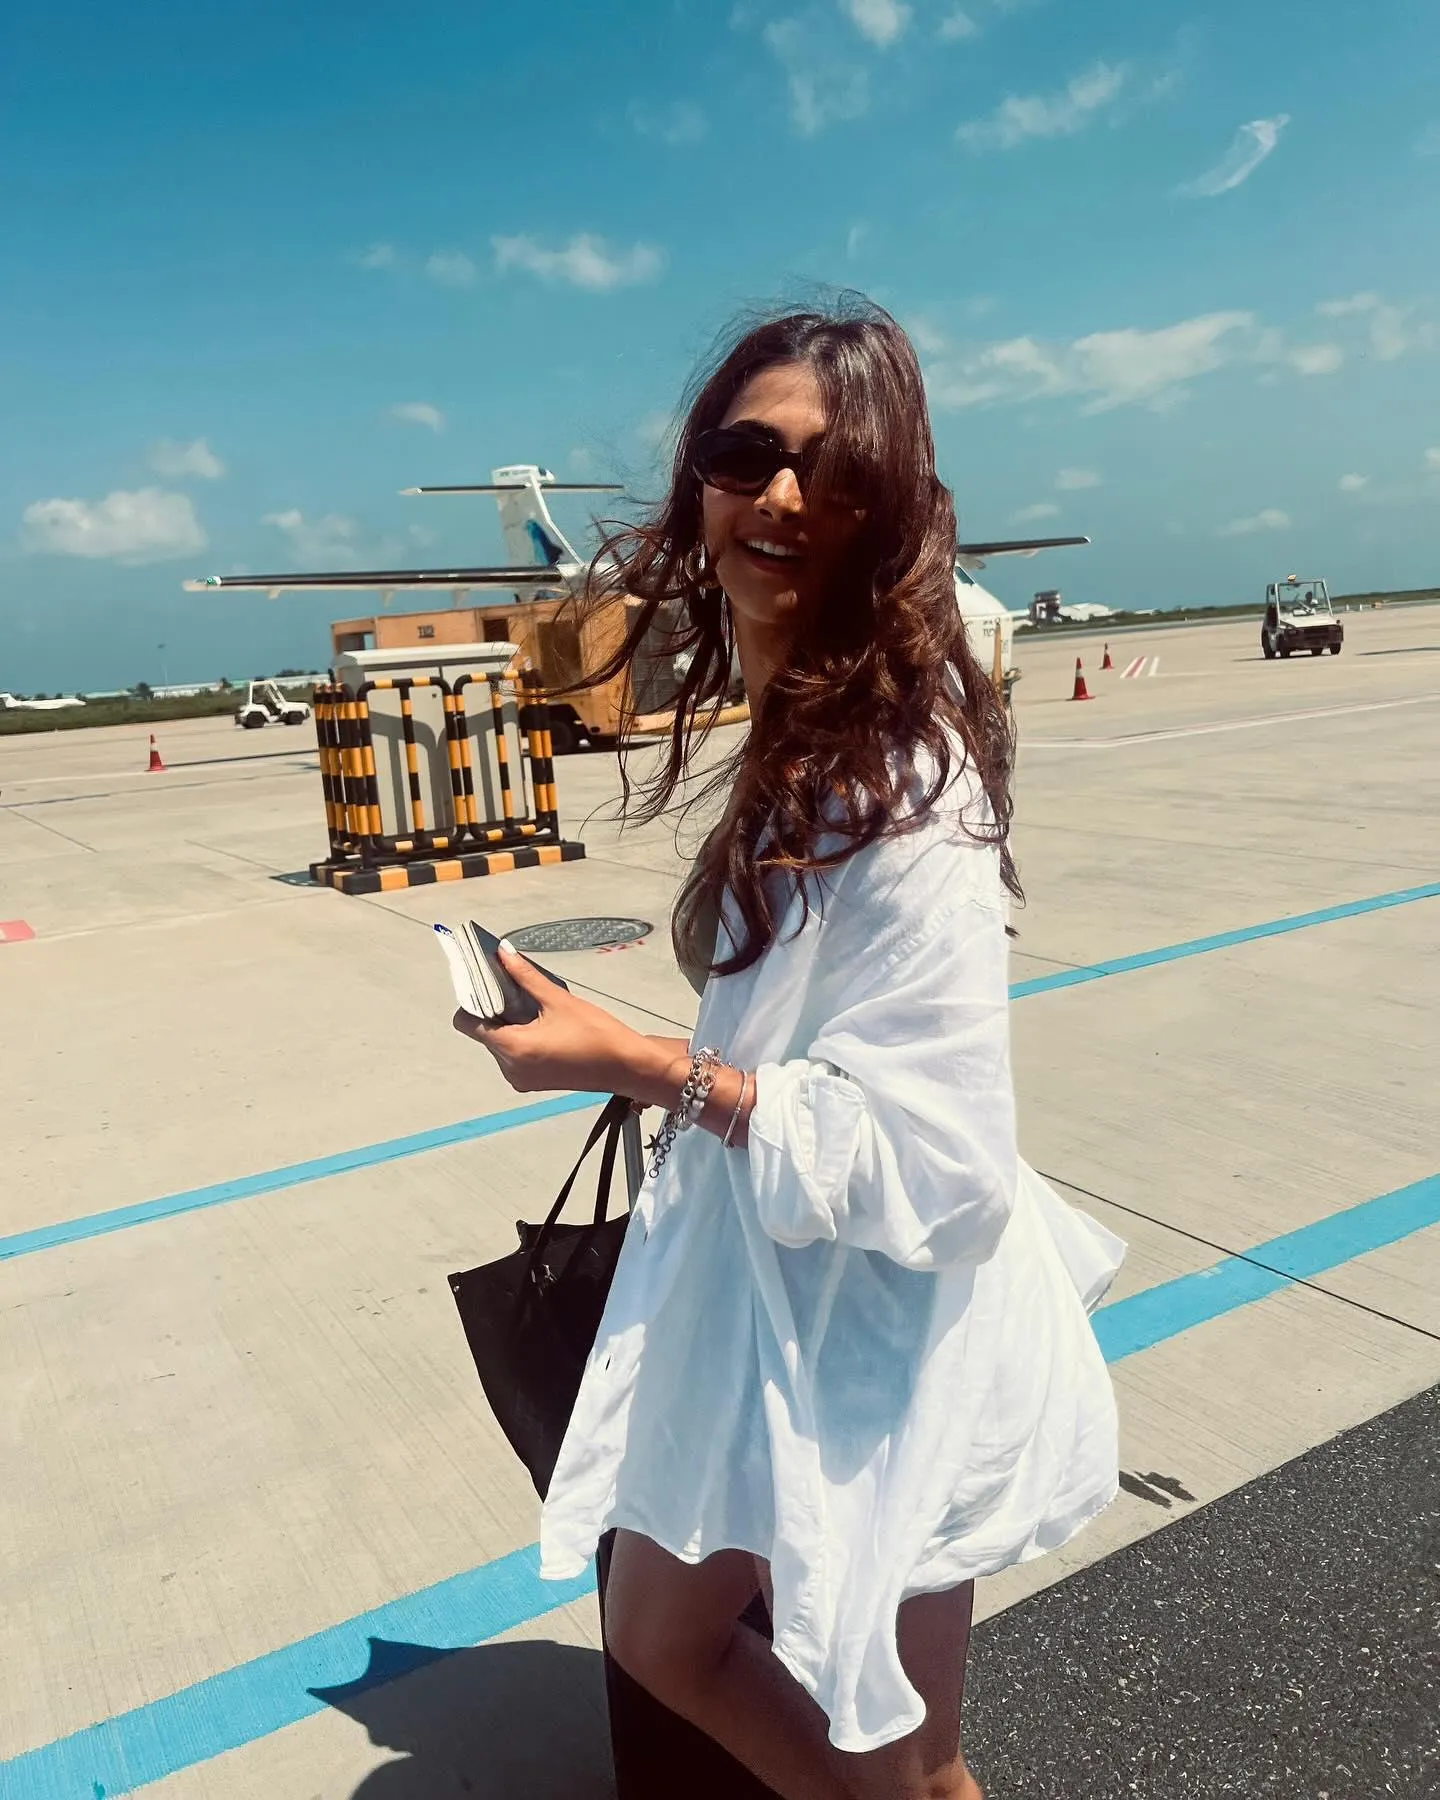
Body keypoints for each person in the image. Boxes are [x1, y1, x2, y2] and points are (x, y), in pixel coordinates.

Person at [456, 297, 1125, 1800]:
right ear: (696, 477)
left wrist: (640, 1063)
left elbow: (942, 1162)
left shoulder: (905, 775)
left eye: (829, 473)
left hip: (892, 1331)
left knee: (899, 1757)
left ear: (886, 512)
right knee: (685, 1645)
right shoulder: (797, 726)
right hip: (798, 1288)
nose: (777, 496)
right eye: (741, 452)